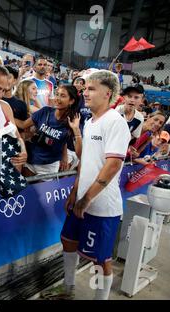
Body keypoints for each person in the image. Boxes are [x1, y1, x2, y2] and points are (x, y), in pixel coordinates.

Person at [58, 70, 131, 300]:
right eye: (85, 88)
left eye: (91, 89)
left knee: (101, 260)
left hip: (101, 207)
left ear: (107, 93)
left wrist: (87, 198)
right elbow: (86, 161)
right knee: (67, 241)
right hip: (81, 199)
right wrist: (75, 191)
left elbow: (112, 166)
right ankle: (68, 290)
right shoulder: (89, 122)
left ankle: (101, 298)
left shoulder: (115, 122)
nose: (84, 92)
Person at [20, 85, 80, 176]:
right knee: (27, 189)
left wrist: (76, 130)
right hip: (30, 160)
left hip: (49, 165)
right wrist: (7, 113)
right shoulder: (45, 111)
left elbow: (64, 141)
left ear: (71, 101)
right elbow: (23, 124)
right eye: (57, 94)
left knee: (43, 190)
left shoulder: (73, 120)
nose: (57, 98)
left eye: (62, 96)